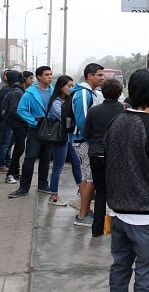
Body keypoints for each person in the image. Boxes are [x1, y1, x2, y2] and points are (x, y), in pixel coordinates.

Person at [104, 69, 149, 291]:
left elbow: (105, 163)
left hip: (118, 214)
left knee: (119, 267)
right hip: (148, 217)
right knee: (146, 275)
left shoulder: (115, 122)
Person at [83, 78, 125, 237]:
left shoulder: (94, 111)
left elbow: (86, 133)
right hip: (116, 156)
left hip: (96, 154)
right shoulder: (124, 110)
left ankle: (97, 229)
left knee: (101, 192)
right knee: (118, 192)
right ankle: (117, 229)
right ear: (120, 92)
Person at [8, 66, 54, 198]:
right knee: (30, 158)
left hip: (50, 129)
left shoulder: (53, 90)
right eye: (46, 74)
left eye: (50, 74)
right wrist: (34, 122)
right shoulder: (30, 93)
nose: (49, 77)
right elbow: (21, 109)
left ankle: (43, 185)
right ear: (39, 77)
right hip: (35, 130)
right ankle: (24, 187)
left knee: (46, 158)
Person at [71, 63, 105, 227]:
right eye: (99, 75)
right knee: (90, 178)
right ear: (89, 76)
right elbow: (83, 121)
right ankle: (83, 215)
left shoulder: (88, 92)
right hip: (84, 141)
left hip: (84, 140)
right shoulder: (83, 94)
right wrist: (93, 141)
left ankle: (84, 212)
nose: (102, 78)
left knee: (86, 177)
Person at [47, 75, 82, 206]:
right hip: (60, 138)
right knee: (58, 167)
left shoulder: (68, 101)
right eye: (68, 86)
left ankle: (82, 190)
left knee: (76, 162)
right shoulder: (56, 102)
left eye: (72, 86)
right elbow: (65, 118)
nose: (71, 88)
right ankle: (53, 196)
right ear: (61, 87)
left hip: (68, 137)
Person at [5, 71, 33, 184]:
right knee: (19, 148)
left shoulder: (22, 91)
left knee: (19, 148)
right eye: (30, 78)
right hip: (18, 124)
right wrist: (26, 118)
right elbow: (13, 110)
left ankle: (15, 172)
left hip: (22, 124)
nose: (32, 80)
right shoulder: (17, 92)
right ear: (24, 79)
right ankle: (10, 174)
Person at [0, 71, 22, 172]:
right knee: (5, 143)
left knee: (9, 143)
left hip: (10, 121)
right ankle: (1, 164)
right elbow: (4, 107)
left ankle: (7, 161)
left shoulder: (12, 89)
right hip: (7, 121)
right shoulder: (6, 90)